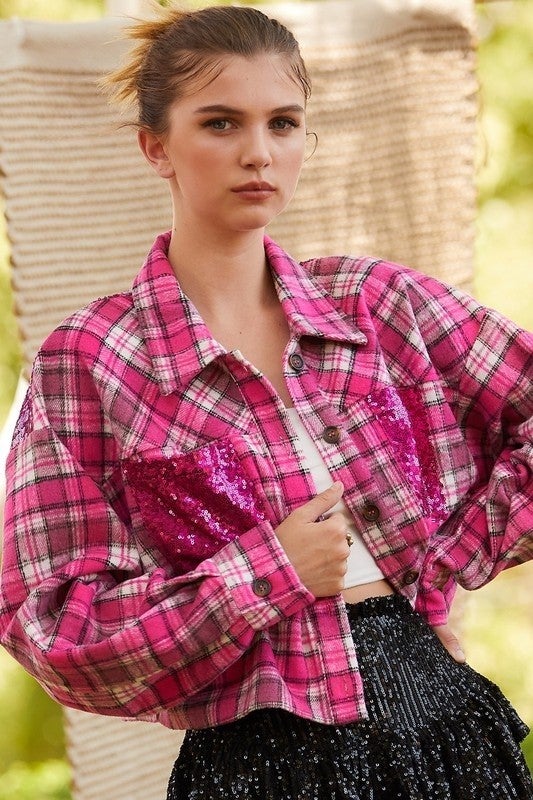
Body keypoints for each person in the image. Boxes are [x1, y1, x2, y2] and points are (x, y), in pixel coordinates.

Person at [0, 4, 532, 799]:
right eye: (220, 123)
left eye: (283, 123)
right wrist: (269, 569)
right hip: (252, 770)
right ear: (156, 147)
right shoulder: (91, 360)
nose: (258, 153)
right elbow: (54, 628)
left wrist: (442, 557)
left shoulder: (375, 304)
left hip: (445, 744)